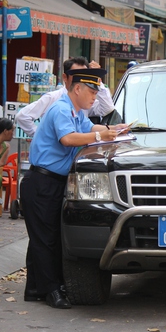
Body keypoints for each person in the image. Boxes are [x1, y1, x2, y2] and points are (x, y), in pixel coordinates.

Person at [20, 68, 130, 309]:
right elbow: (69, 139)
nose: (94, 97)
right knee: (46, 239)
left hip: (53, 182)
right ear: (77, 89)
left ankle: (35, 288)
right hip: (42, 182)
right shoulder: (60, 108)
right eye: (91, 91)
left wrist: (116, 130)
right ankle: (52, 290)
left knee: (46, 236)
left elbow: (90, 129)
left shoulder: (76, 111)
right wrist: (103, 138)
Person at [15, 57, 115, 137]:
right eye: (76, 76)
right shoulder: (55, 100)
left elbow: (106, 109)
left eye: (84, 76)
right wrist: (41, 136)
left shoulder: (81, 106)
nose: (81, 80)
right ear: (65, 77)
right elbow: (23, 116)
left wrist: (116, 129)